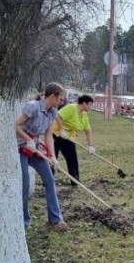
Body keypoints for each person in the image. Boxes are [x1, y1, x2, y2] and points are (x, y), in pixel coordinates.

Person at [15, 82, 69, 232]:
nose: (62, 101)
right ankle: (23, 221)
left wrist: (52, 156)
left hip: (35, 148)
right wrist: (28, 139)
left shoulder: (52, 111)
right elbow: (17, 126)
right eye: (60, 98)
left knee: (50, 180)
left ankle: (55, 219)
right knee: (25, 184)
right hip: (19, 147)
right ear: (52, 96)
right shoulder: (33, 106)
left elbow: (48, 135)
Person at [53, 94, 96, 183]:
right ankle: (48, 182)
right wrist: (62, 130)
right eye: (90, 104)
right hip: (56, 134)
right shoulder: (71, 108)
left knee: (72, 158)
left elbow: (88, 130)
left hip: (68, 137)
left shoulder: (84, 114)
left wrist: (91, 145)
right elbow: (58, 116)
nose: (91, 107)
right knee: (53, 158)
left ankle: (75, 181)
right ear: (84, 103)